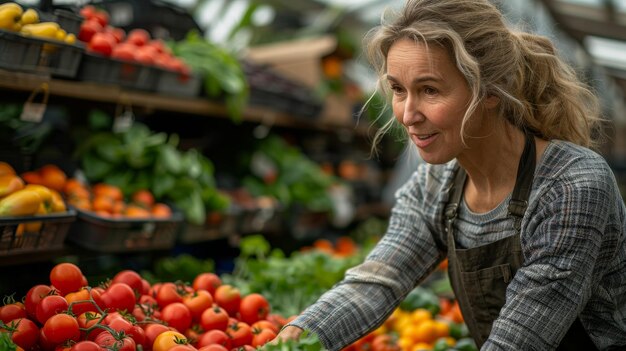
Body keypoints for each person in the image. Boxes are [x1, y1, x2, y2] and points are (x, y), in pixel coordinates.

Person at [274, 0, 626, 350]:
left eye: (429, 90)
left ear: (489, 89)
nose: (408, 114)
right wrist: (294, 338)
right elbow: (378, 282)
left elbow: (519, 340)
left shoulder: (571, 186)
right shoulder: (437, 185)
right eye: (399, 89)